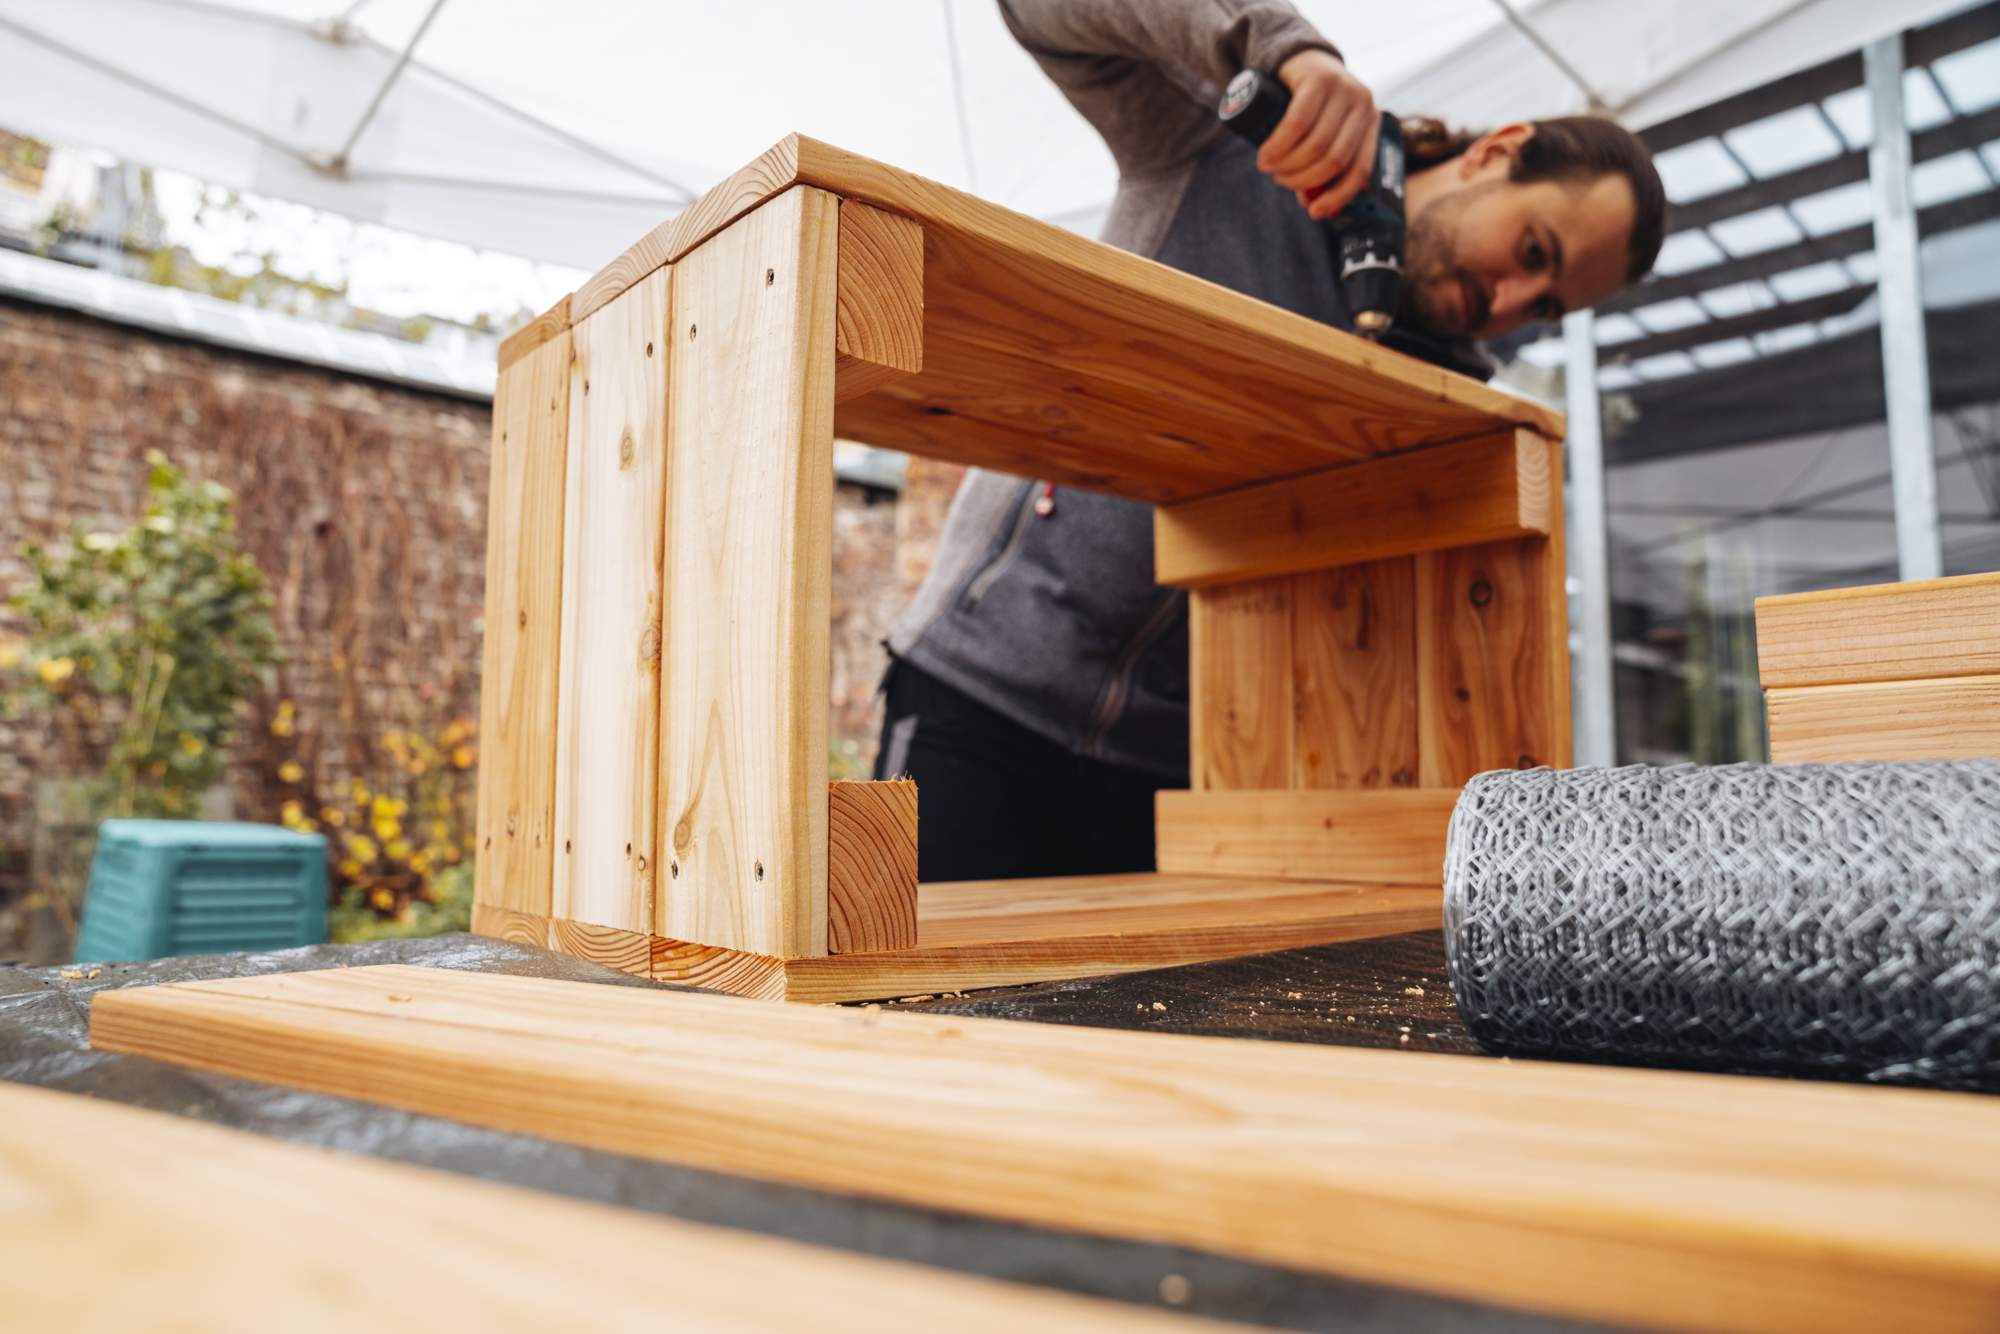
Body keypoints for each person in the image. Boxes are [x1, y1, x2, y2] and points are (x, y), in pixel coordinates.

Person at [874, 0, 1667, 882]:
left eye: (1546, 305)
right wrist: (1282, 49)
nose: (1512, 302)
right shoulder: (1232, 150)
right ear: (1496, 151)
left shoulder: (1451, 405)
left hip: (1192, 778)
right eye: (1533, 251)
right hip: (981, 698)